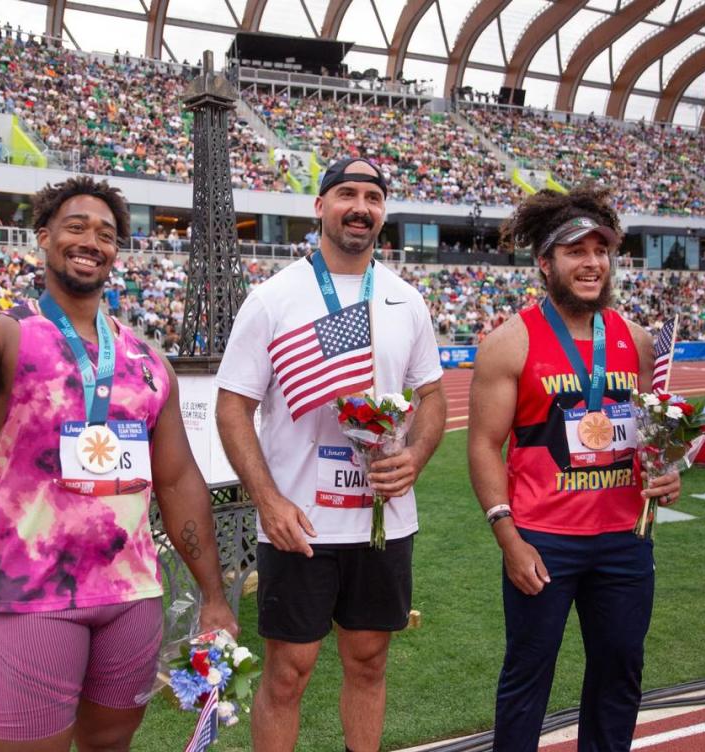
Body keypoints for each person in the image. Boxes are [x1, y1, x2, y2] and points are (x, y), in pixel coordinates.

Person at [0, 172, 237, 751]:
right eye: (75, 226)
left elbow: (176, 480)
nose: (91, 240)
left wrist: (214, 596)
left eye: (105, 233)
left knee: (111, 745)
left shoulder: (148, 359)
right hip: (33, 596)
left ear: (117, 252)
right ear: (43, 238)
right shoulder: (3, 333)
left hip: (132, 594)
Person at [215, 157, 447, 752]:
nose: (361, 206)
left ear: (382, 213)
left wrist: (416, 456)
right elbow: (232, 406)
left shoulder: (405, 300)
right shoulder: (273, 298)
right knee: (289, 671)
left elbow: (433, 396)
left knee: (368, 661)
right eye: (347, 193)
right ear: (320, 206)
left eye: (373, 196)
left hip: (383, 522)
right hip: (300, 523)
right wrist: (266, 501)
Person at [467, 186, 682, 752]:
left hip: (624, 539)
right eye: (575, 251)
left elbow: (650, 436)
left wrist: (667, 472)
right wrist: (507, 536)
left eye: (600, 250)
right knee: (527, 679)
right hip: (544, 541)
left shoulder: (636, 342)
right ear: (545, 263)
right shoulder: (509, 343)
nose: (591, 263)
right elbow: (485, 446)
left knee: (619, 675)